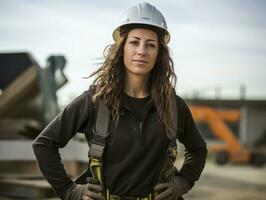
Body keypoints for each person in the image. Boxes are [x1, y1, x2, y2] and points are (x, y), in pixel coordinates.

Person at [32, 2, 207, 200]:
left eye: (150, 44)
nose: (142, 51)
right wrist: (70, 191)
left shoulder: (174, 106)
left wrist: (183, 182)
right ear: (122, 47)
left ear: (159, 54)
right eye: (135, 42)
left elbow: (198, 150)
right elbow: (44, 144)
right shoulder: (94, 102)